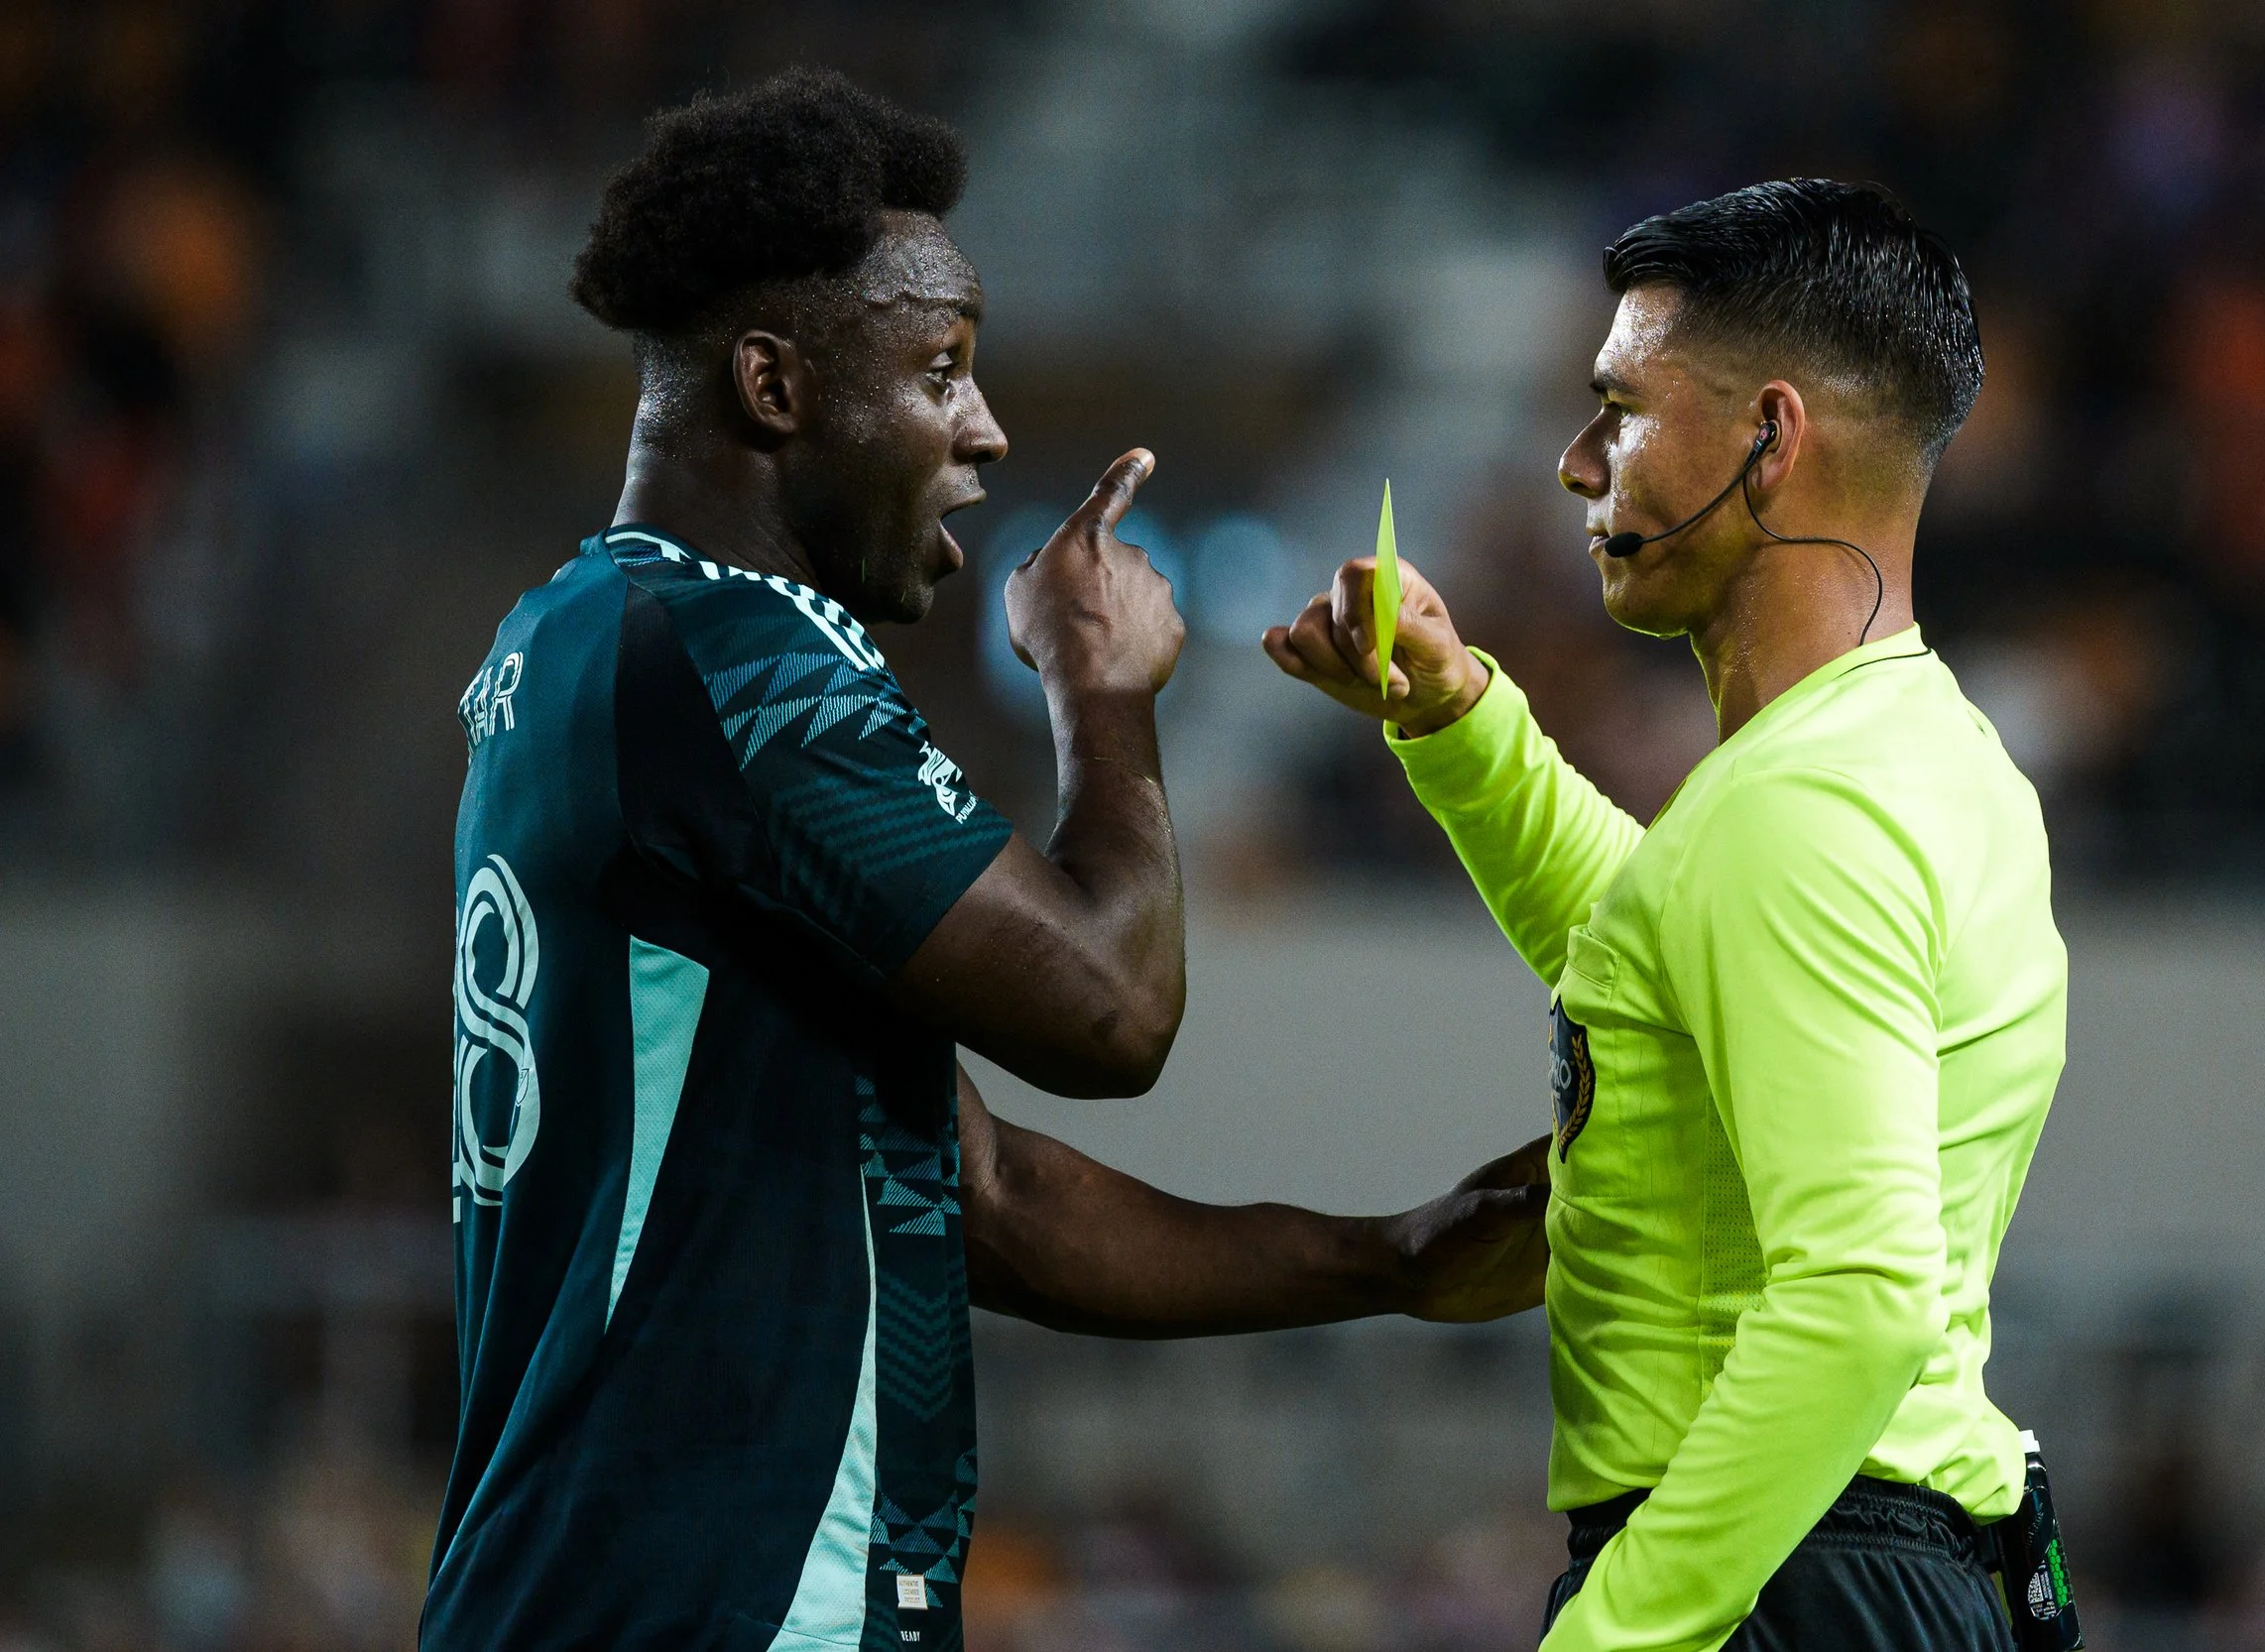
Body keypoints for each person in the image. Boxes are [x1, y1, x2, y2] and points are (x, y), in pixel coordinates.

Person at [426, 69, 1548, 1652]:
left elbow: (982, 1188)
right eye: (941, 370)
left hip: (594, 1587)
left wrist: (1395, 1256)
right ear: (773, 383)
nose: (985, 427)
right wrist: (1099, 690)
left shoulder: (579, 636)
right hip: (720, 1602)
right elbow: (1109, 1008)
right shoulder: (736, 660)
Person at [1266, 179, 2069, 1651]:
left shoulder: (1800, 813)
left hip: (1780, 1572)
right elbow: (1662, 945)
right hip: (1873, 1560)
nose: (1577, 465)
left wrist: (1614, 1635)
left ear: (1770, 436)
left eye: (1619, 409)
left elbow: (1861, 1298)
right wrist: (1462, 724)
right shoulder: (1924, 765)